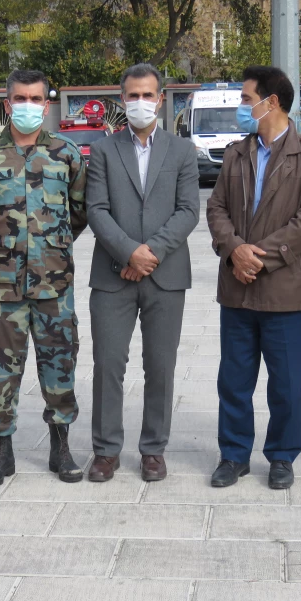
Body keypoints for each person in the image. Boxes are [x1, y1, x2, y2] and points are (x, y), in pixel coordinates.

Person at [0, 69, 87, 489]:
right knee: (0, 373)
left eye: (36, 99)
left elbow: (80, 213)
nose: (28, 105)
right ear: (7, 102)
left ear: (46, 105)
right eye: (20, 98)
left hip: (54, 289)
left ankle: (61, 446)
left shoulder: (66, 154)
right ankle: (2, 453)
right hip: (1, 290)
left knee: (60, 367)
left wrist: (51, 248)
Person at [206, 65, 301, 489]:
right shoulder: (236, 153)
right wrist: (234, 249)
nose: (242, 107)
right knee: (234, 379)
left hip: (285, 291)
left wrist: (260, 257)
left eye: (246, 99)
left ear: (270, 102)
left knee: (286, 383)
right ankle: (234, 455)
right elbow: (216, 209)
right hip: (237, 289)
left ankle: (281, 456)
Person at [85, 63, 200, 483]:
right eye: (132, 96)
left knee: (161, 366)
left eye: (147, 95)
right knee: (108, 365)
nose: (140, 102)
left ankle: (153, 449)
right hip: (112, 276)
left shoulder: (182, 151)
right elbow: (96, 210)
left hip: (166, 276)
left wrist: (149, 253)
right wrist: (129, 254)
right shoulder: (103, 150)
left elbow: (189, 210)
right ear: (122, 100)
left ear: (161, 99)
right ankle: (105, 450)